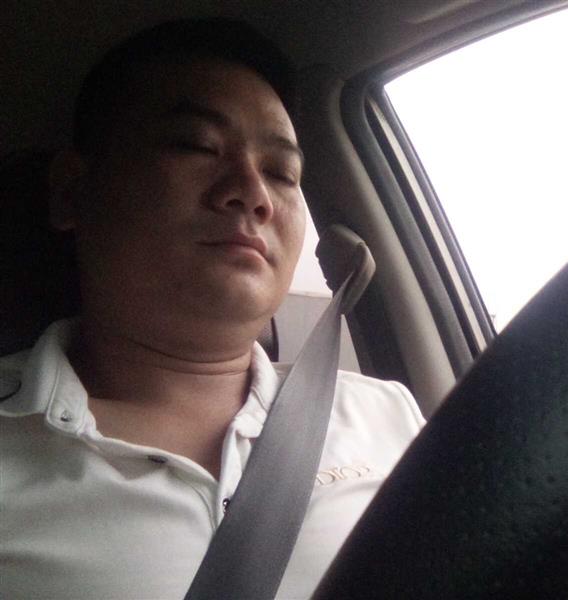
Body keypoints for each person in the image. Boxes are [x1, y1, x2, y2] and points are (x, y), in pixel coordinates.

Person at [0, 18, 425, 599]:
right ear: (73, 190)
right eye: (196, 145)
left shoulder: (385, 416)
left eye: (282, 173)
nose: (253, 192)